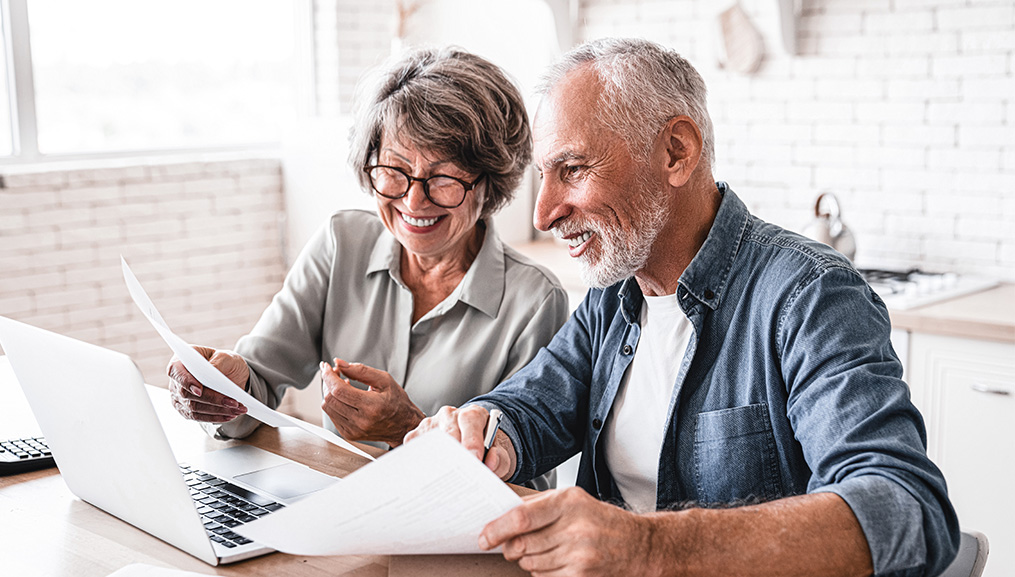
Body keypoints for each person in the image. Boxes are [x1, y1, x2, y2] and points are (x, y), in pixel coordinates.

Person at [406, 38, 959, 576]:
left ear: (676, 152)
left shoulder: (809, 296)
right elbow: (535, 406)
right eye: (542, 177)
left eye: (572, 170)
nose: (544, 215)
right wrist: (485, 432)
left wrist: (645, 548)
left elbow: (905, 507)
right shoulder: (614, 296)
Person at [167, 47, 569, 467]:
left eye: (443, 178)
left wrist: (408, 428)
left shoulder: (535, 302)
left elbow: (525, 481)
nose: (414, 200)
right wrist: (222, 389)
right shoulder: (341, 243)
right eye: (393, 170)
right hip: (336, 506)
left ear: (489, 182)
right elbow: (259, 380)